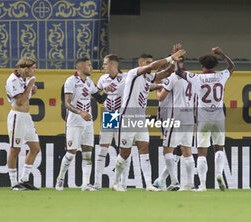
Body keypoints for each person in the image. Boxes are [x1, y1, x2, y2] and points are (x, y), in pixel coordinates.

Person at [112, 47, 186, 191]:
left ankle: (148, 185)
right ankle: (116, 183)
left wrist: (174, 62)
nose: (151, 64)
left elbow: (166, 72)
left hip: (140, 118)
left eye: (151, 62)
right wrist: (171, 57)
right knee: (125, 153)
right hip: (128, 117)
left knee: (144, 149)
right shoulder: (134, 73)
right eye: (147, 62)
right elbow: (154, 67)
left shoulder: (148, 77)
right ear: (141, 63)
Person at [176, 46, 235, 191]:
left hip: (203, 119)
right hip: (219, 118)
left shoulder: (197, 78)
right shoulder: (222, 76)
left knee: (202, 152)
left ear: (202, 66)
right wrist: (222, 54)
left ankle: (202, 185)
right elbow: (232, 66)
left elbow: (178, 72)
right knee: (219, 148)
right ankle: (219, 174)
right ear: (214, 65)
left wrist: (176, 58)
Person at [55, 58, 111, 191]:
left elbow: (99, 100)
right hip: (74, 123)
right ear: (80, 67)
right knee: (71, 153)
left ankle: (85, 185)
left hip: (88, 124)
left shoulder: (90, 82)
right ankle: (60, 179)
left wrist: (107, 91)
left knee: (87, 154)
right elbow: (67, 104)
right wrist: (80, 112)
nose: (91, 67)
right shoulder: (71, 81)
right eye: (89, 65)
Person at [155, 54, 196, 191]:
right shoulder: (193, 76)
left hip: (176, 117)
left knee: (167, 149)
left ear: (174, 64)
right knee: (187, 151)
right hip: (190, 117)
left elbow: (161, 98)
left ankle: (174, 181)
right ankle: (190, 184)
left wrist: (158, 88)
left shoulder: (172, 77)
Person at [94, 54, 128, 190]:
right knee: (103, 148)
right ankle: (97, 182)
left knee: (124, 150)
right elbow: (98, 97)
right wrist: (105, 92)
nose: (103, 66)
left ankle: (120, 182)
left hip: (122, 115)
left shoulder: (126, 78)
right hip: (109, 115)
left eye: (105, 63)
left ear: (114, 65)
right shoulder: (103, 79)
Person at [6, 56, 40, 191]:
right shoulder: (13, 80)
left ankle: (24, 179)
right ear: (25, 69)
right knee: (15, 149)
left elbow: (25, 98)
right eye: (33, 68)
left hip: (26, 117)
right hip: (17, 117)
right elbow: (19, 101)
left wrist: (31, 89)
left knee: (35, 148)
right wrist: (31, 85)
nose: (35, 71)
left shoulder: (24, 79)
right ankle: (14, 183)